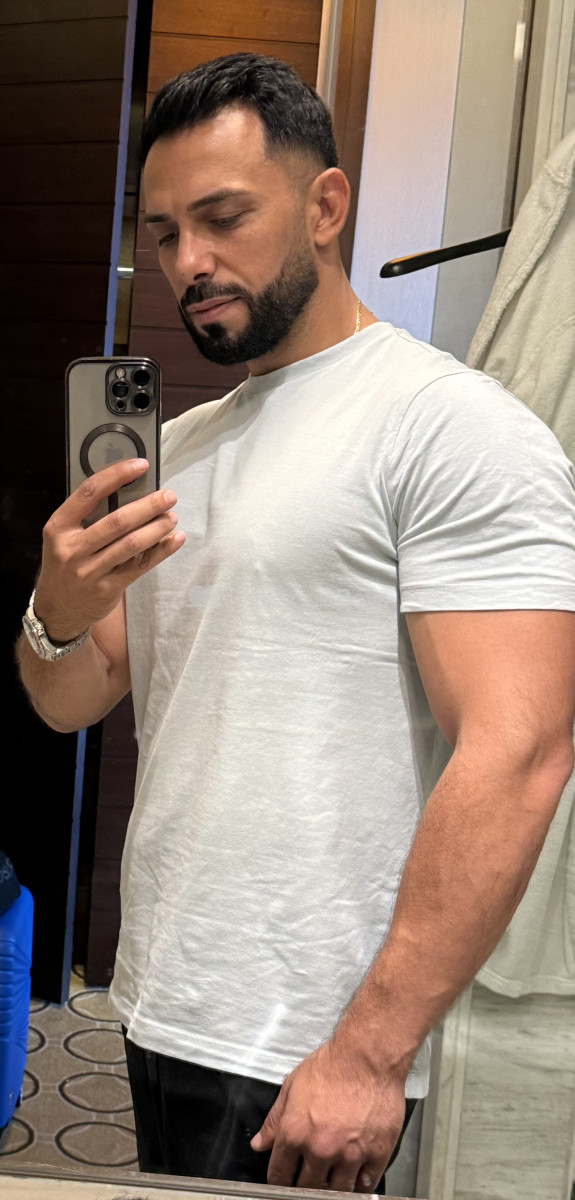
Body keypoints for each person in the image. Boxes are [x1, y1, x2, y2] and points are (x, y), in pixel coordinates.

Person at [17, 52, 575, 1193]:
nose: (189, 261)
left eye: (222, 218)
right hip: (167, 995)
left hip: (315, 1040)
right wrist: (53, 612)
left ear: (324, 206)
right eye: (165, 233)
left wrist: (368, 1052)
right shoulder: (184, 452)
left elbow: (520, 750)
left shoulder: (449, 428)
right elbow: (71, 698)